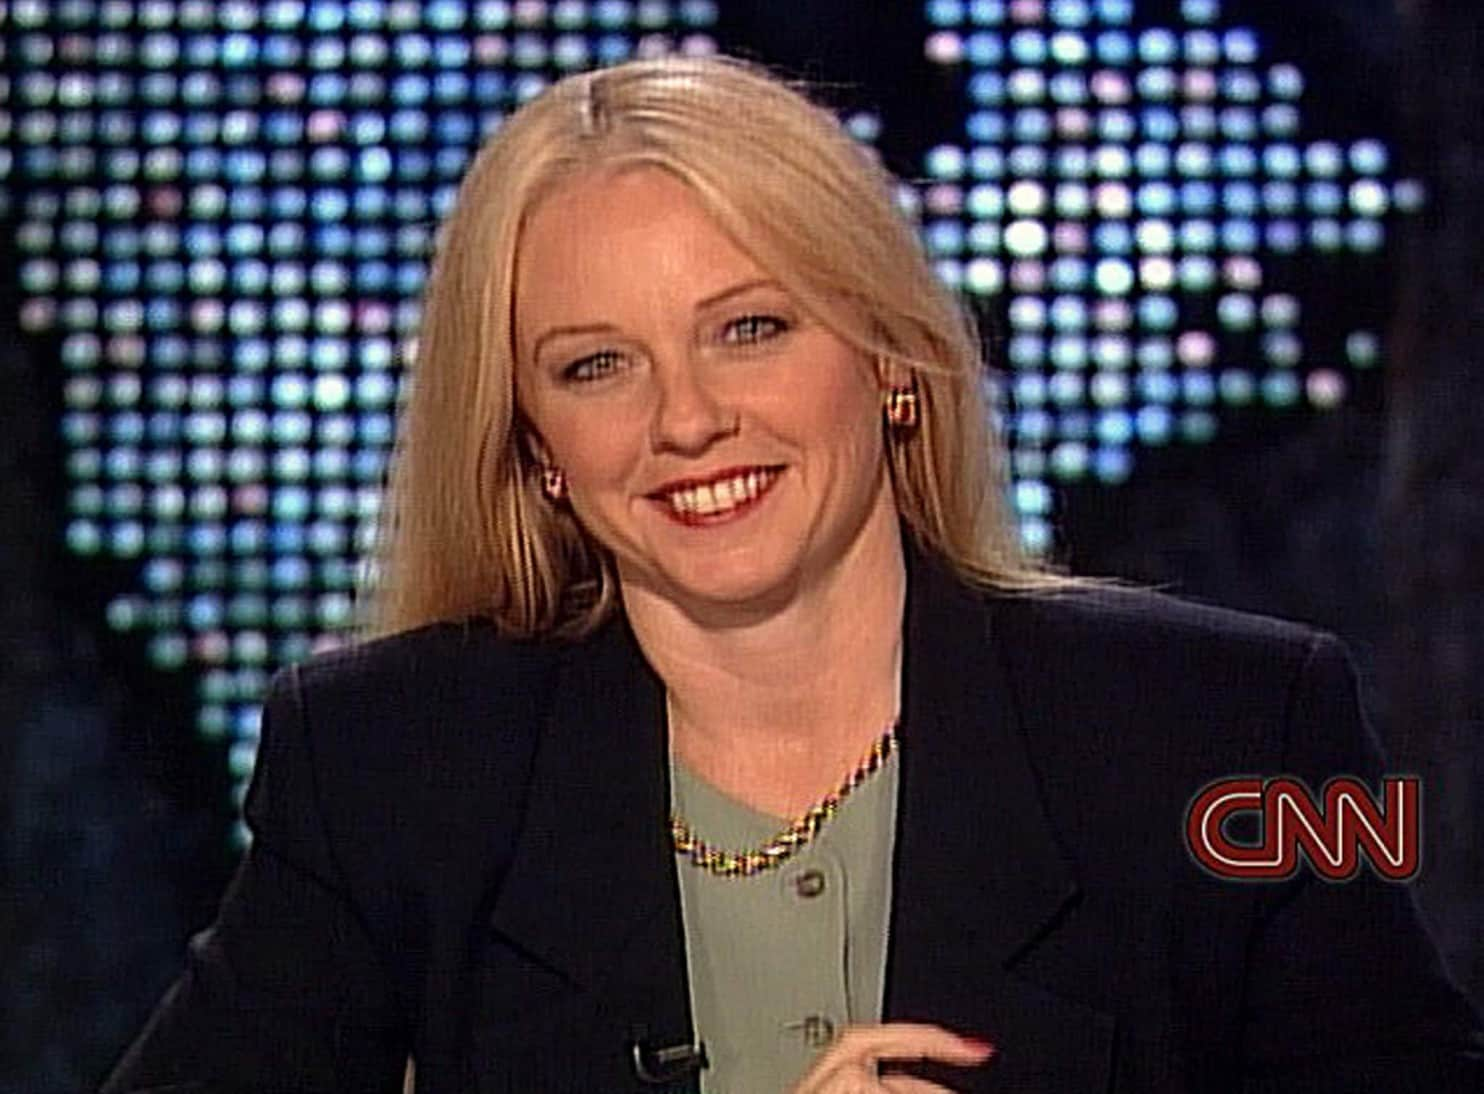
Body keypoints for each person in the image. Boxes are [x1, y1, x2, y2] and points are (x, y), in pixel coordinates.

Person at [103, 54, 1481, 1094]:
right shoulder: (390, 770)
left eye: (749, 327)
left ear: (889, 360)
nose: (687, 419)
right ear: (536, 448)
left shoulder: (1239, 730)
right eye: (597, 366)